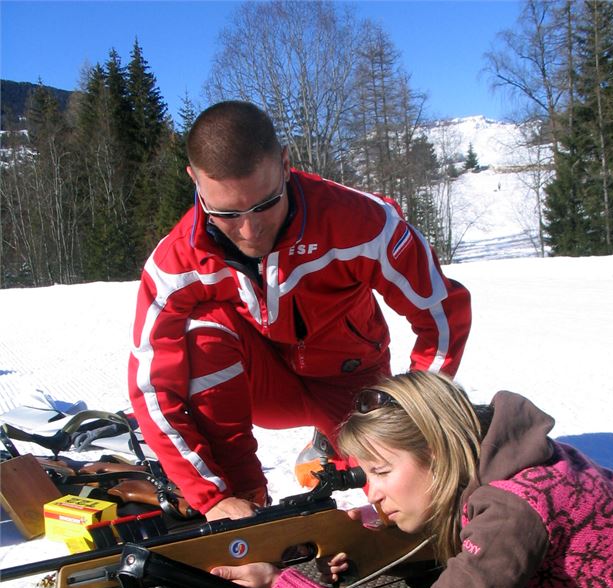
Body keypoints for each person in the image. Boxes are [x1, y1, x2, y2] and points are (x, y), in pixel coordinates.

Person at [128, 101, 471, 521]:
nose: (250, 231)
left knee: (404, 477)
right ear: (195, 182)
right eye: (227, 214)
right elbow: (151, 388)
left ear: (286, 164)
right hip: (263, 385)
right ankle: (246, 501)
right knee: (202, 330)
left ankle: (334, 445)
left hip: (350, 380)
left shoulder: (362, 221)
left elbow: (440, 312)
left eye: (265, 204)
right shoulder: (174, 263)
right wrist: (212, 497)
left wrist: (415, 407)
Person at [211, 370, 613, 588]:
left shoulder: (513, 510)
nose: (372, 493)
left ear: (435, 452)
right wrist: (376, 549)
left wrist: (283, 586)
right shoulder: (510, 454)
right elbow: (472, 535)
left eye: (381, 471)